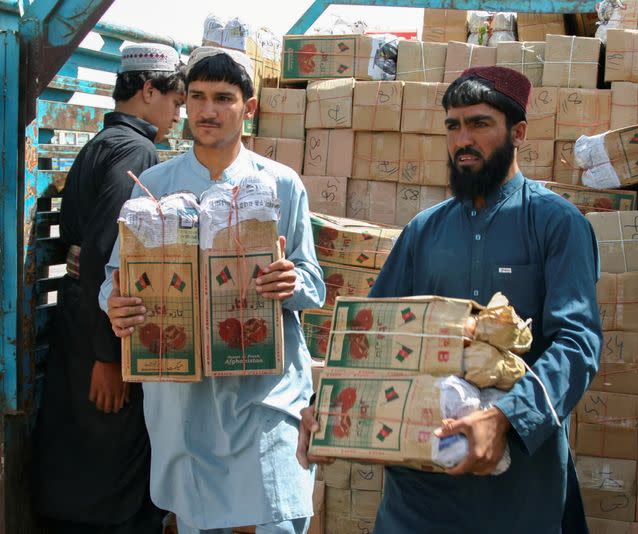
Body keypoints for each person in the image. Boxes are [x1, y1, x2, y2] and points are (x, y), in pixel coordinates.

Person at [296, 66, 603, 533]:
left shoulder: (556, 224)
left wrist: (505, 418)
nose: (464, 139)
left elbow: (577, 344)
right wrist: (329, 406)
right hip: (419, 488)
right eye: (453, 126)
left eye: (479, 124)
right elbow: (372, 334)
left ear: (517, 132)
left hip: (517, 482)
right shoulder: (425, 231)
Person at [100, 46, 325, 534]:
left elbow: (314, 283)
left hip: (263, 395)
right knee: (198, 521)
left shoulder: (281, 185)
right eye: (197, 97)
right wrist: (115, 306)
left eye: (223, 98)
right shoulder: (153, 185)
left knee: (276, 517)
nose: (207, 110)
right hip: (184, 398)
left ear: (249, 107)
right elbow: (114, 277)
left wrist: (290, 282)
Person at [33, 43, 185, 534]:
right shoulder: (136, 150)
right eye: (177, 102)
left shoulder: (102, 143)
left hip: (81, 321)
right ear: (148, 90)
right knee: (110, 466)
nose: (178, 116)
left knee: (86, 456)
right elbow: (107, 252)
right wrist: (110, 358)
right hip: (100, 333)